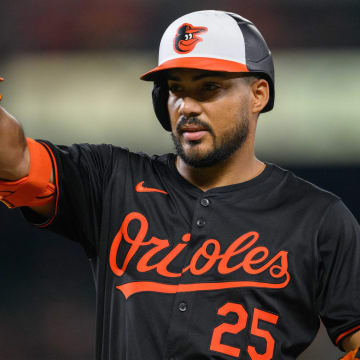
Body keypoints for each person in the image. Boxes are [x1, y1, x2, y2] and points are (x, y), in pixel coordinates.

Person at [0, 9, 359, 360]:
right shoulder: (112, 181)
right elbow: (16, 160)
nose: (187, 106)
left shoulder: (318, 218)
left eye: (208, 88)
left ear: (258, 95)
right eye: (175, 89)